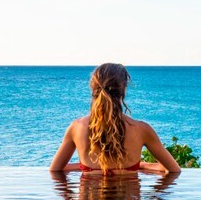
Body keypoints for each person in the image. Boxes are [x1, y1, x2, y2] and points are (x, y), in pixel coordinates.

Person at [48, 63, 183, 177]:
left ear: (93, 88)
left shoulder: (76, 128)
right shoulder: (142, 130)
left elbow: (55, 170)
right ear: (123, 90)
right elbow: (173, 170)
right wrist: (141, 165)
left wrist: (85, 168)